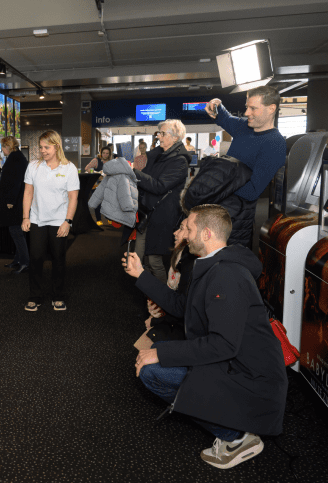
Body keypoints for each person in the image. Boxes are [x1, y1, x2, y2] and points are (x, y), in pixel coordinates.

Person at [123, 204, 288, 469]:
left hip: (248, 380)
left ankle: (237, 437)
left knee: (152, 371)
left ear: (207, 234)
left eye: (188, 228)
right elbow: (181, 307)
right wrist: (142, 275)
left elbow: (223, 344)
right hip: (234, 364)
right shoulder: (213, 265)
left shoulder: (226, 276)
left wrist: (161, 354)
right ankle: (228, 423)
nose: (183, 233)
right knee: (159, 350)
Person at [22, 130, 79, 311]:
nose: (43, 150)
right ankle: (35, 296)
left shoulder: (68, 168)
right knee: (36, 258)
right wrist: (26, 217)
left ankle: (58, 296)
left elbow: (73, 197)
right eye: (41, 147)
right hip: (38, 220)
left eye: (46, 147)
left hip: (59, 221)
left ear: (56, 146)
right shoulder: (33, 166)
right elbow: (28, 193)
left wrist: (67, 221)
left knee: (58, 259)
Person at [205, 85, 286, 209]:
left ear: (271, 109)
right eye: (247, 107)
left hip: (236, 215)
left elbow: (252, 191)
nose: (247, 113)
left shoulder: (275, 144)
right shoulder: (244, 127)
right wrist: (217, 104)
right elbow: (225, 118)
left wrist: (218, 182)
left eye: (253, 108)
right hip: (219, 205)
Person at [133, 119, 190, 283]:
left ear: (176, 137)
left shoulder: (179, 161)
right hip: (148, 212)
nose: (159, 136)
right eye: (159, 133)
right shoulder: (160, 155)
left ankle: (162, 299)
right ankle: (149, 294)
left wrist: (135, 173)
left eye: (163, 133)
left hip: (162, 215)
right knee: (140, 257)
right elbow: (148, 179)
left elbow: (159, 186)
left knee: (154, 260)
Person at [0, 136, 29, 274]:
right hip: (15, 200)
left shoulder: (16, 158)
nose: (2, 150)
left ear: (7, 146)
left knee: (16, 232)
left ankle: (24, 262)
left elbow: (16, 181)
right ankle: (18, 259)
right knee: (15, 231)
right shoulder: (16, 157)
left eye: (2, 147)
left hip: (14, 201)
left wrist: (10, 200)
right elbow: (8, 175)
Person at [85, 146, 114, 225]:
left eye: (107, 153)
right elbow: (87, 168)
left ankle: (108, 217)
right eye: (103, 153)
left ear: (109, 154)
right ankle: (98, 219)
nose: (105, 155)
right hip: (96, 184)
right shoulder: (96, 160)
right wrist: (96, 173)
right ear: (101, 153)